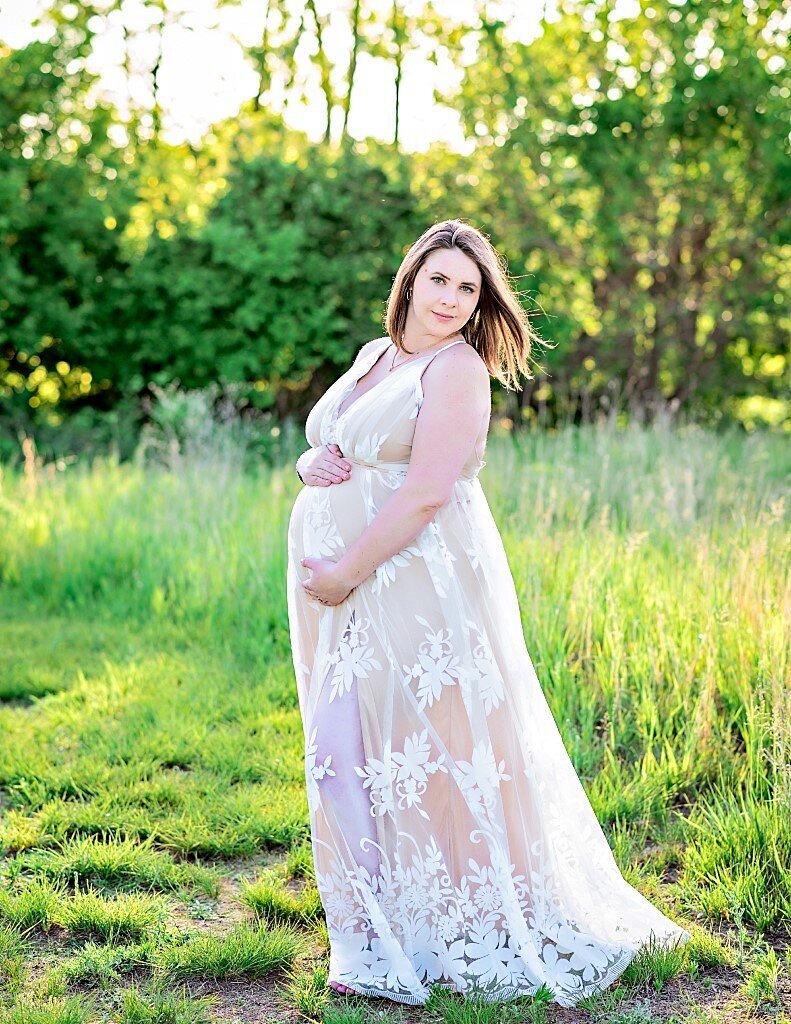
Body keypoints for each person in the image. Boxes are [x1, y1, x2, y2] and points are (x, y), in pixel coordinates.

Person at [285, 218, 690, 1008]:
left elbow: (429, 490)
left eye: (468, 289)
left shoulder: (458, 369)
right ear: (410, 278)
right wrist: (309, 460)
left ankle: (456, 927)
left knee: (430, 754)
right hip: (350, 588)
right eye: (439, 279)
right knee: (345, 753)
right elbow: (338, 441)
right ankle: (375, 932)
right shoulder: (377, 355)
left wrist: (342, 572)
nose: (451, 298)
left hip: (413, 580)